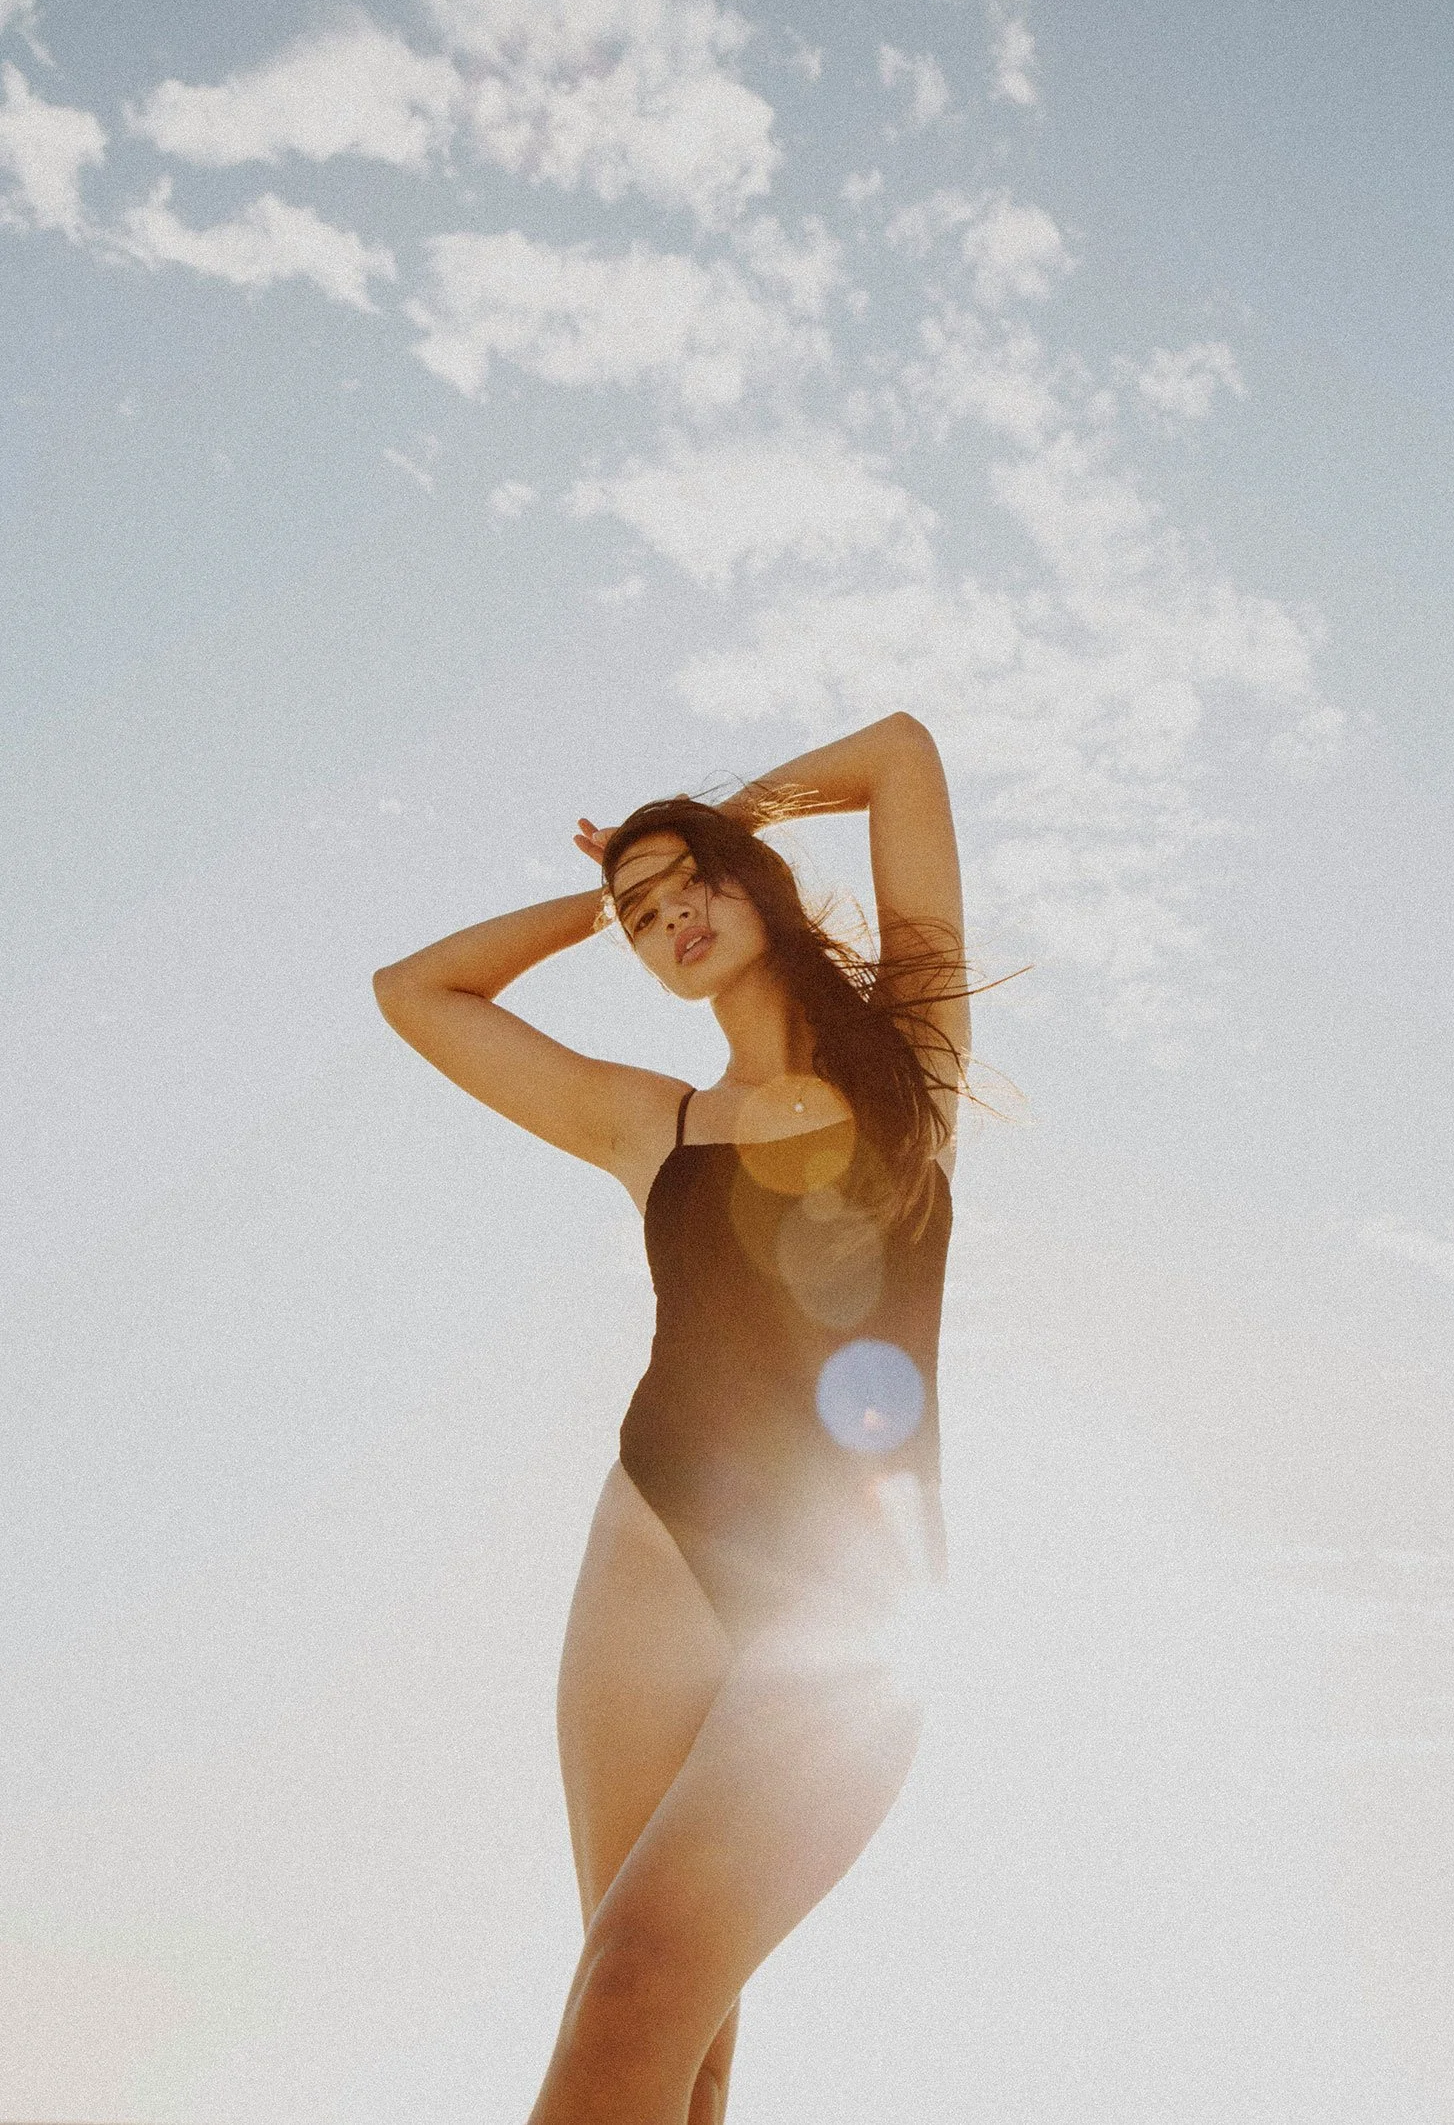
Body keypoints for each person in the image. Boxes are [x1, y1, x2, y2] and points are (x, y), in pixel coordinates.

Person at [373, 711, 971, 2125]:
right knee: (669, 2039)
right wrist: (595, 905)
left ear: (750, 880)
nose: (668, 917)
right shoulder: (655, 1122)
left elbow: (899, 754)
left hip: (846, 1605)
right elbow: (416, 991)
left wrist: (723, 818)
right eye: (643, 915)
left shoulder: (914, 1065)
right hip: (653, 1553)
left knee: (643, 1980)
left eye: (686, 885)